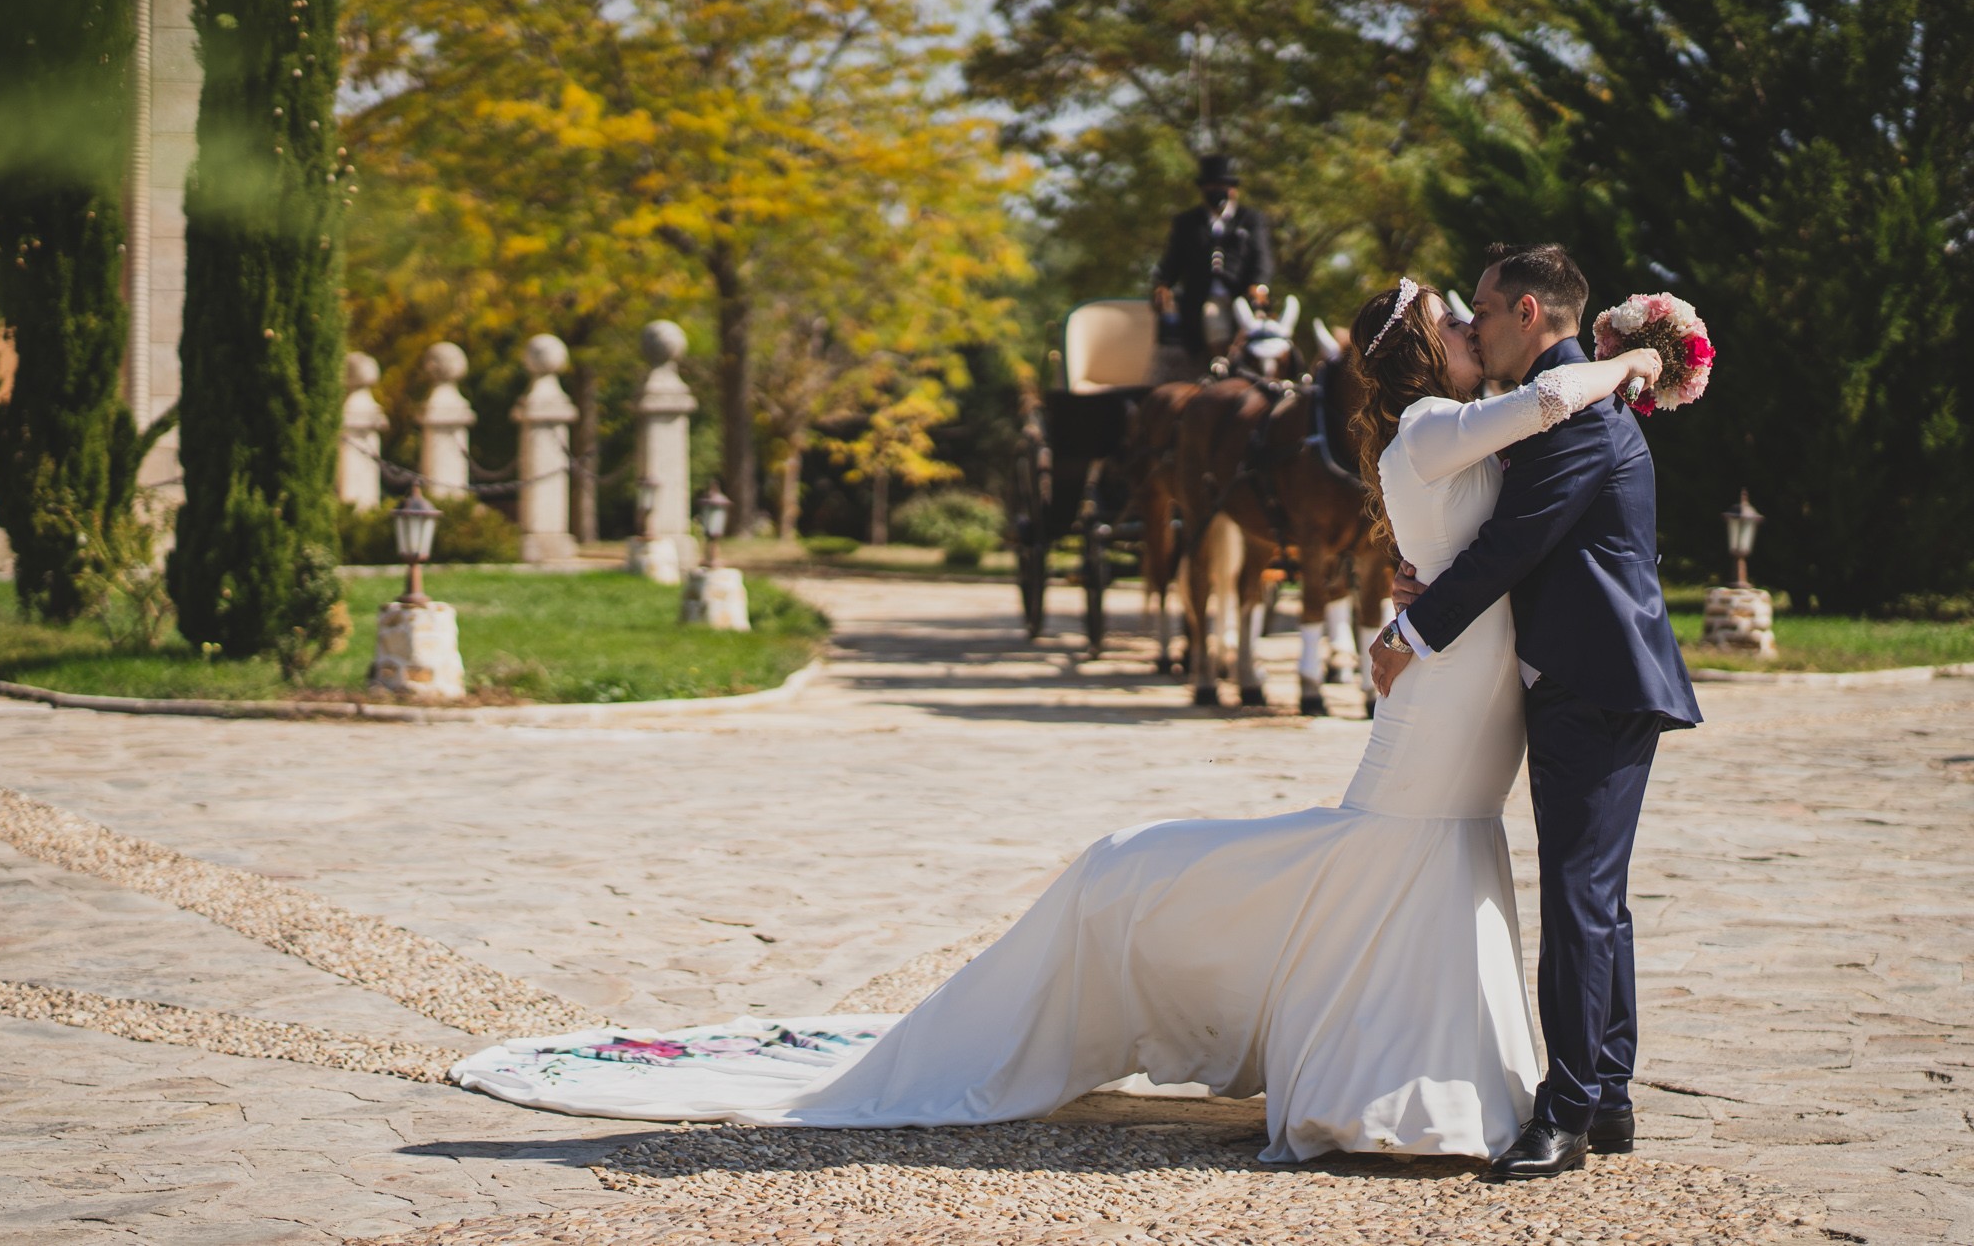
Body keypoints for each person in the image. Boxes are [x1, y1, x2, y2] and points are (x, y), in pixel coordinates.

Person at [451, 279, 1667, 1175]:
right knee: (1395, 851)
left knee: (1422, 859)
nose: (1469, 327)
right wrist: (1640, 353)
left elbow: (1518, 503)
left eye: (1472, 314)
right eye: (1453, 320)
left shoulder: (1457, 422)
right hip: (1447, 694)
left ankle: (1426, 1078)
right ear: (1417, 353)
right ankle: (1330, 1046)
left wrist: (1419, 579)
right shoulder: (1427, 428)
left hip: (1467, 682)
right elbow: (1551, 395)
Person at [1370, 243, 1702, 1179]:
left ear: (1526, 312)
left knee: (1579, 895)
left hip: (1594, 677)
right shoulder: (1558, 404)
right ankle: (1609, 1095)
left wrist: (1410, 629)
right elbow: (1499, 529)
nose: (1472, 327)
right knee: (1597, 895)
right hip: (1592, 674)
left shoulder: (1579, 413)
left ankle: (1566, 1111)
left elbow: (1514, 541)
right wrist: (1419, 575)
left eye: (1480, 310)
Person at [1151, 153, 1273, 362]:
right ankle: (1221, 365)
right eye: (1212, 185)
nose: (1217, 190)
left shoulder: (1251, 219)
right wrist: (1163, 284)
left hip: (1243, 296)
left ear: (1233, 189)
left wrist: (1259, 286)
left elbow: (1262, 257)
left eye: (1222, 185)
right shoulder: (1187, 223)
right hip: (1204, 297)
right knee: (1212, 316)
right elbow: (1172, 260)